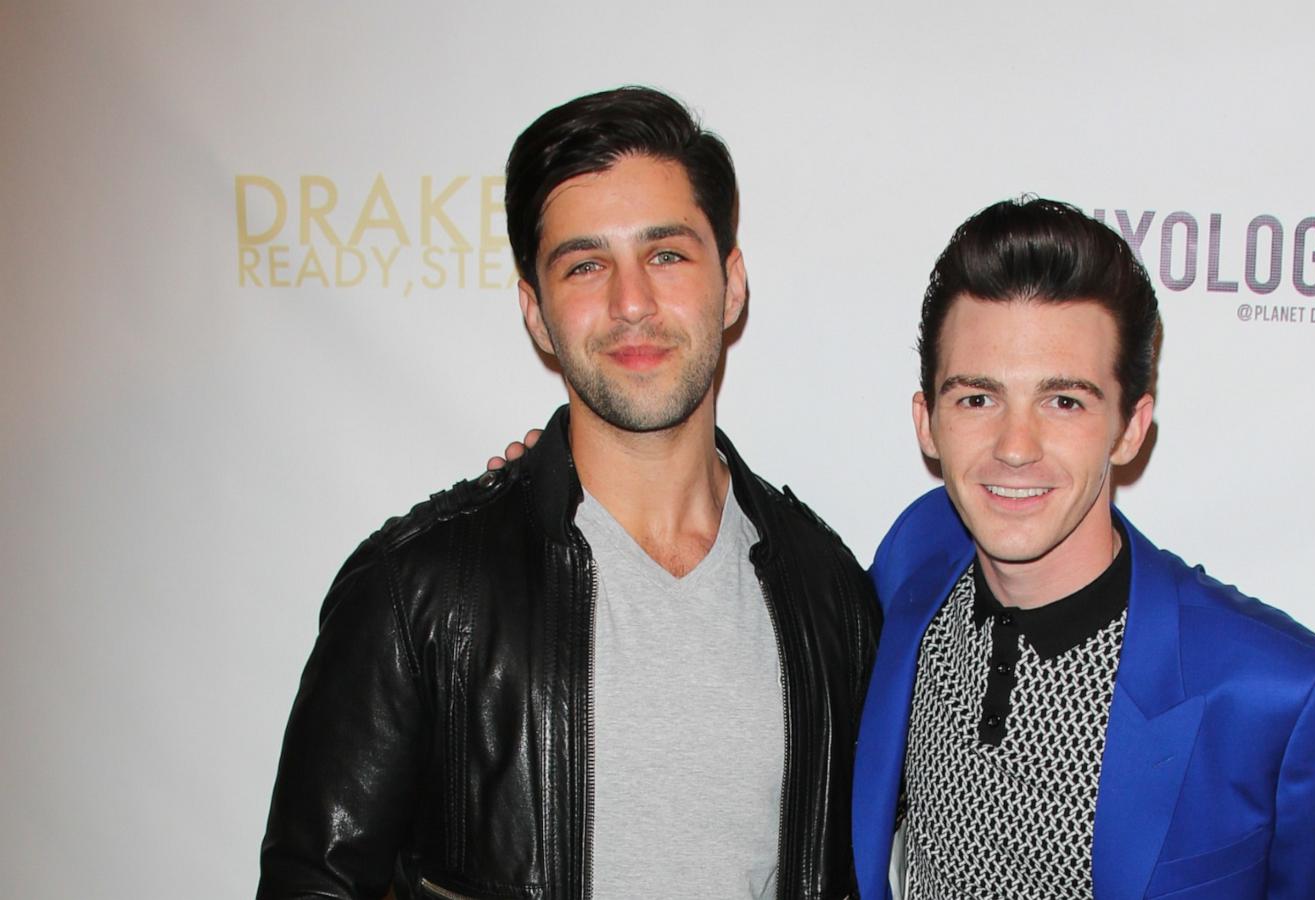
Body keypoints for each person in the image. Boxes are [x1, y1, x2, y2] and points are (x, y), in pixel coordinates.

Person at [258, 87, 879, 900]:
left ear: (731, 286)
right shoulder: (420, 594)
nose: (632, 303)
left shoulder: (829, 594)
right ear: (537, 315)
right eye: (586, 265)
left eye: (666, 255)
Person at [851, 197, 1315, 899]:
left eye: (1064, 401)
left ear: (1131, 428)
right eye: (977, 399)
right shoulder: (915, 557)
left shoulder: (1272, 696)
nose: (1014, 448)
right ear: (928, 422)